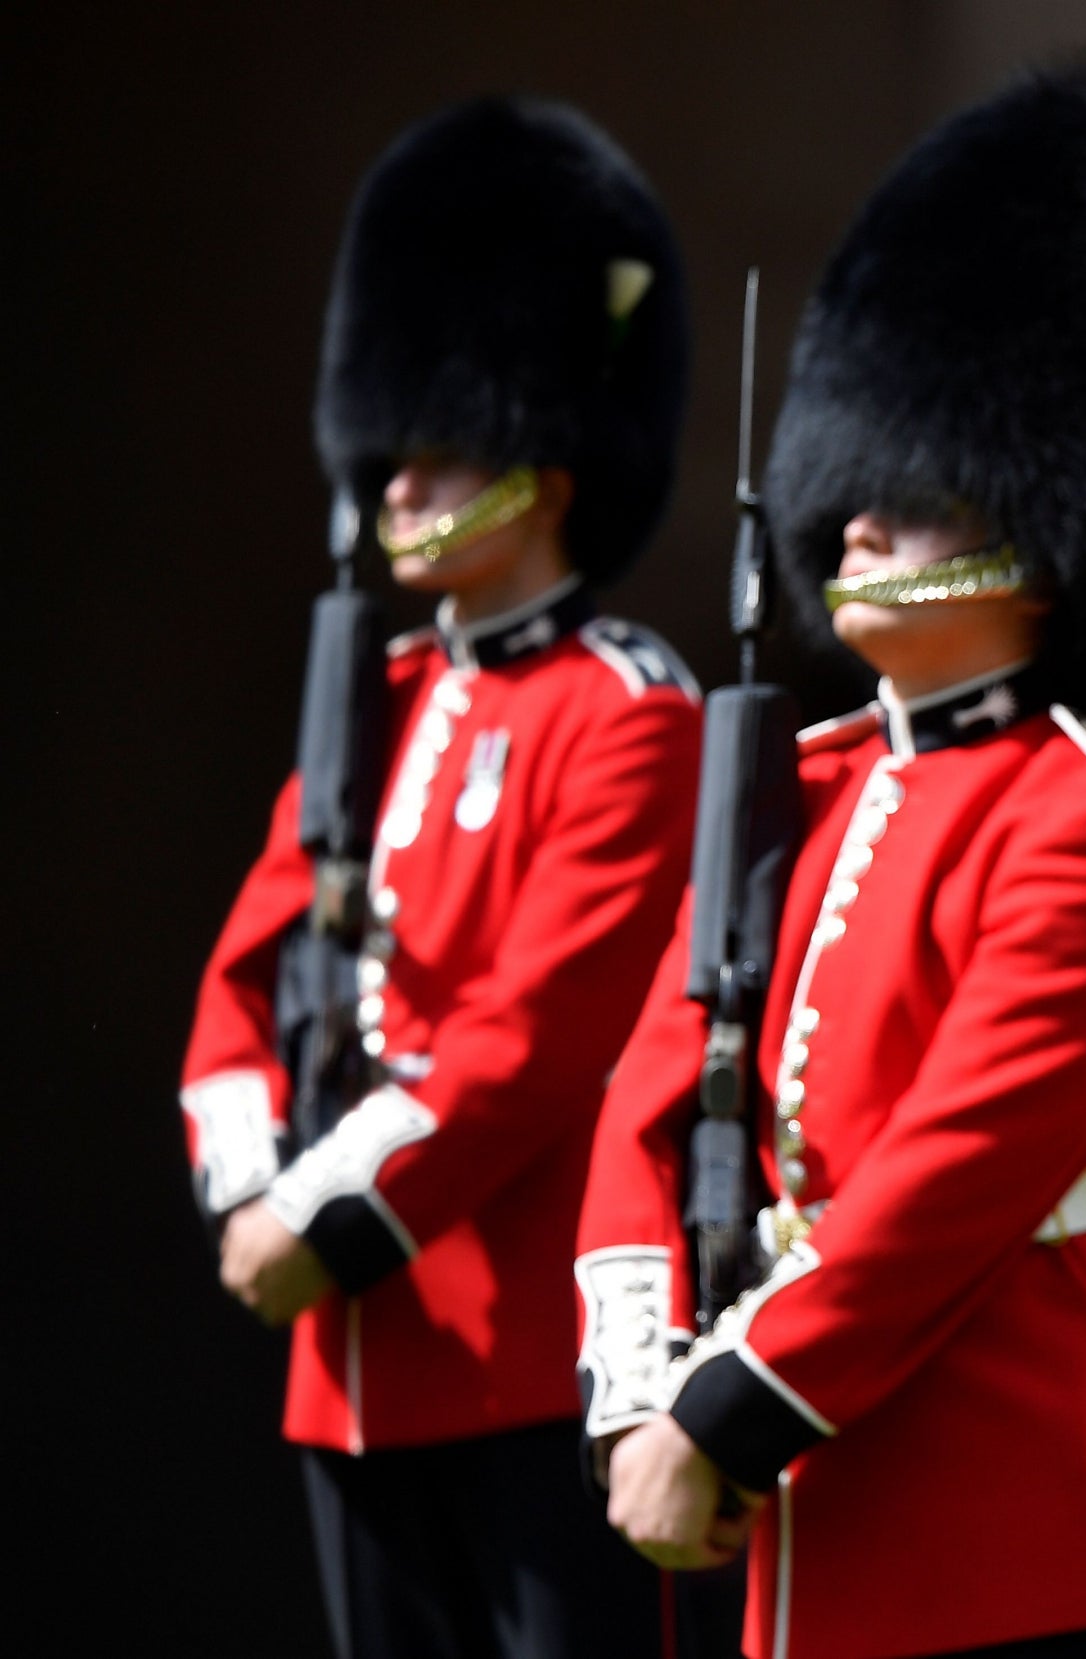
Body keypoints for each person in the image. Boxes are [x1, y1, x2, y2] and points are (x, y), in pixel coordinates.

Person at [572, 65, 1086, 1659]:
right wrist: (637, 1391)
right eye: (859, 497)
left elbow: (950, 1187)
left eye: (912, 503)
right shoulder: (795, 799)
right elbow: (643, 1102)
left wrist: (727, 1411)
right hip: (799, 1528)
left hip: (1026, 1537)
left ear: (1037, 542)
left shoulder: (1085, 829)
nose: (855, 531)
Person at [177, 97, 700, 1659]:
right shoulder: (382, 701)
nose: (397, 487)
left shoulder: (628, 708)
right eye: (392, 452)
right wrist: (246, 1187)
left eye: (441, 449)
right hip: (346, 1357)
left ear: (540, 461)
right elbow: (245, 980)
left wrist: (322, 1217)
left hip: (528, 1359)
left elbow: (530, 1036)